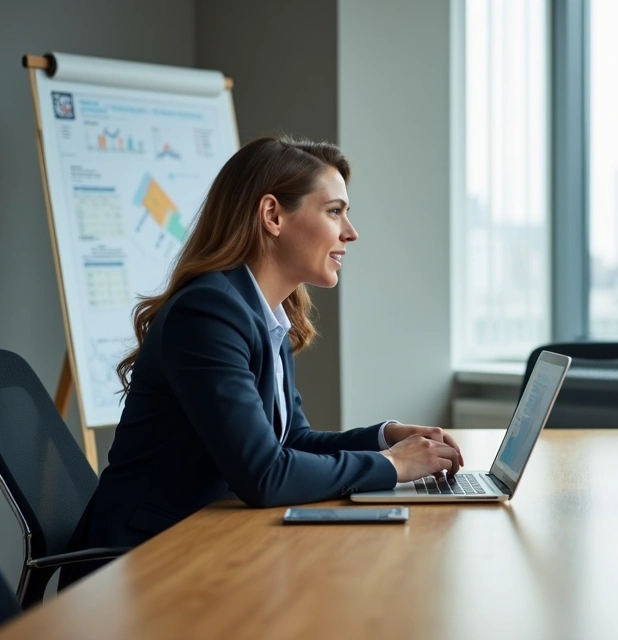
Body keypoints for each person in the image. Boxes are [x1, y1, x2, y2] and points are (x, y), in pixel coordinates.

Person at [62, 135, 462, 586]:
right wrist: (393, 466)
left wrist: (384, 438)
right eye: (334, 211)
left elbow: (289, 439)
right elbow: (265, 475)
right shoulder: (208, 313)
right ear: (273, 215)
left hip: (203, 543)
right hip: (139, 566)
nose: (350, 232)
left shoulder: (265, 313)